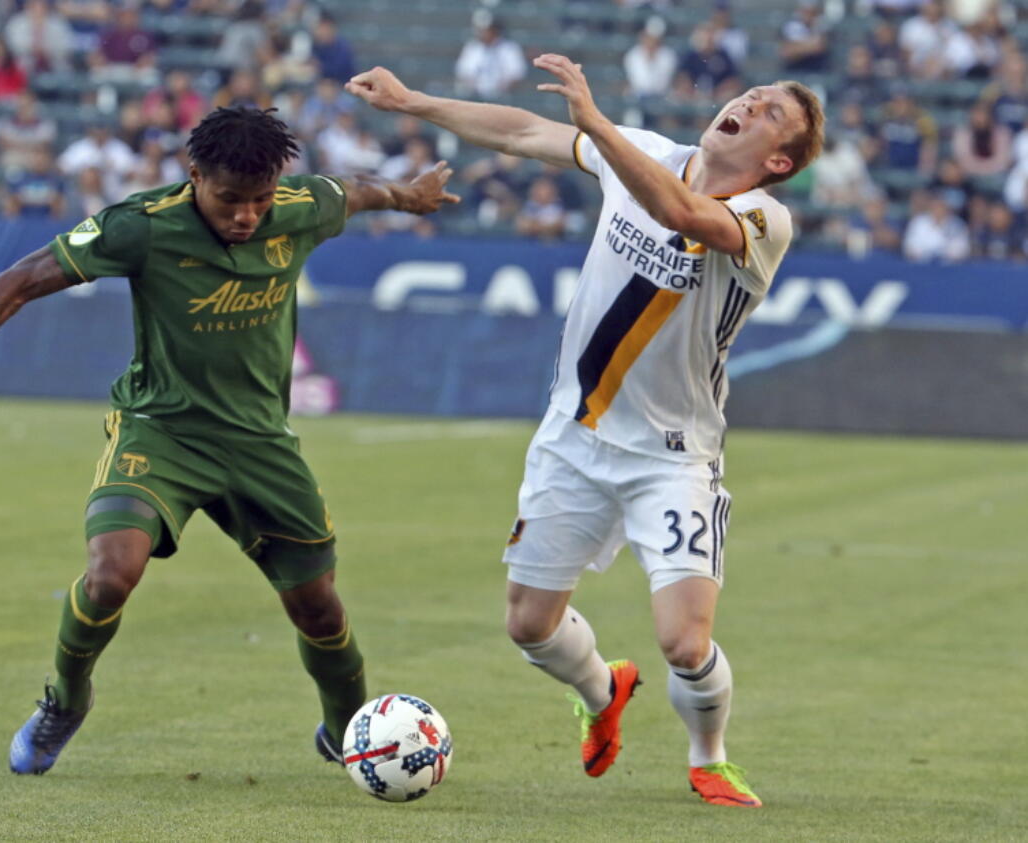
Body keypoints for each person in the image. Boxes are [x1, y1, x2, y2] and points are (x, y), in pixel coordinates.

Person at [0, 106, 460, 776]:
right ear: (194, 176)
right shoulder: (141, 226)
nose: (247, 215)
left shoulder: (303, 206)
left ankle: (350, 734)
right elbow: (20, 280)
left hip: (260, 443)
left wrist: (406, 195)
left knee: (318, 605)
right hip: (160, 432)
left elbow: (357, 188)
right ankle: (66, 700)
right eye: (229, 200)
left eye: (260, 200)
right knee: (110, 573)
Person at [347, 55, 823, 807]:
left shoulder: (767, 220)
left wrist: (597, 125)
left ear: (776, 160)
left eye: (769, 113)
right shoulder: (648, 152)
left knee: (684, 642)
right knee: (530, 624)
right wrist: (413, 101)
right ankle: (603, 692)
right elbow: (524, 131)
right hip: (573, 435)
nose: (749, 101)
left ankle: (710, 756)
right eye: (751, 94)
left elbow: (684, 216)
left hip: (672, 455)